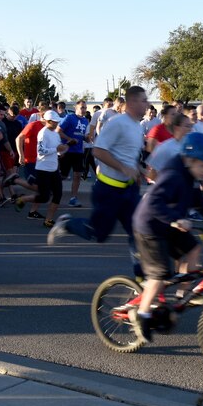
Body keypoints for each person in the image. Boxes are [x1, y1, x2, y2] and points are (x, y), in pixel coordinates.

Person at [129, 132, 203, 342]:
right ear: (188, 160)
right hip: (150, 227)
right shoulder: (173, 176)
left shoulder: (189, 175)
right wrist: (175, 219)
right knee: (160, 275)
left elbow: (198, 199)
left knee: (194, 248)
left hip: (169, 225)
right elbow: (154, 203)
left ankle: (182, 296)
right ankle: (143, 316)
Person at [47, 86, 149, 273]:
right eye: (144, 100)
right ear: (132, 102)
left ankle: (141, 280)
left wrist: (140, 171)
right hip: (109, 190)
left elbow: (129, 156)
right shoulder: (117, 123)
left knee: (138, 231)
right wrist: (124, 168)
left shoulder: (136, 126)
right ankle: (67, 223)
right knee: (98, 234)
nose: (147, 104)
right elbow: (98, 151)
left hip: (129, 190)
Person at [17, 110, 68, 226]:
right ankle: (23, 199)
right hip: (43, 169)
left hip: (54, 168)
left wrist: (62, 150)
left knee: (58, 194)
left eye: (57, 122)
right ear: (48, 121)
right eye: (55, 122)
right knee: (44, 197)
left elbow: (58, 148)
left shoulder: (55, 133)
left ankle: (48, 220)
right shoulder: (43, 133)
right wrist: (56, 150)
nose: (56, 124)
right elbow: (40, 150)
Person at [58, 100, 90, 207]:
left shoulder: (86, 121)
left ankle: (73, 198)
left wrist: (86, 138)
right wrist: (69, 139)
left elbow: (82, 135)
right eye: (82, 107)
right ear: (76, 108)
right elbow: (58, 131)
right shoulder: (69, 118)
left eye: (85, 108)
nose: (84, 110)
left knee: (77, 175)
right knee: (63, 175)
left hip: (78, 151)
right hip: (66, 150)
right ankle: (50, 189)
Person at [146, 111, 193, 181]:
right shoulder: (166, 147)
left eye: (190, 126)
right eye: (187, 126)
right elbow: (152, 174)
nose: (190, 129)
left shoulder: (190, 146)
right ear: (177, 128)